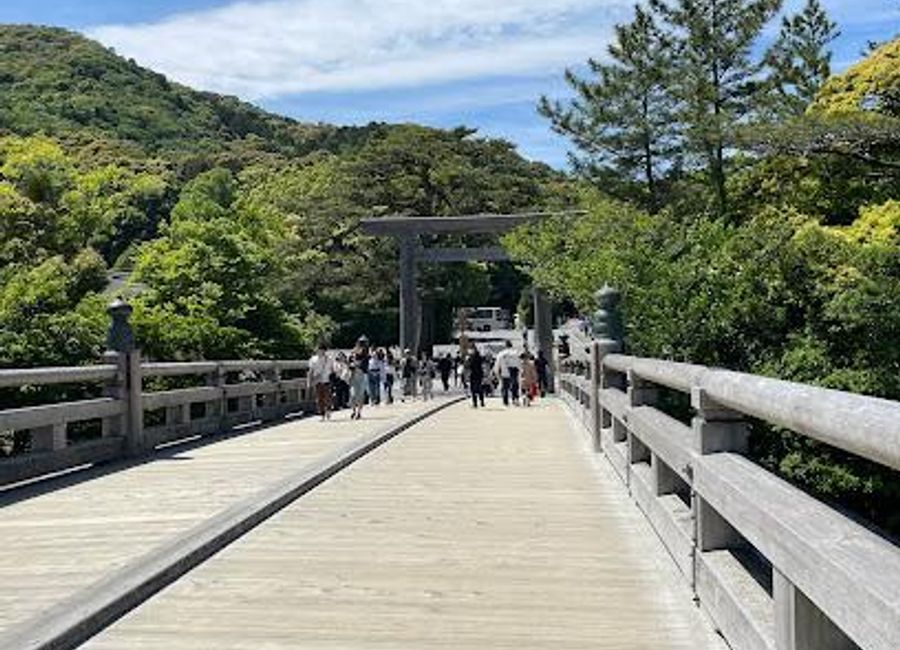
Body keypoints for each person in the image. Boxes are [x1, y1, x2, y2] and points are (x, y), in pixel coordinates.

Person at [308, 343, 333, 420]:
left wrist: (329, 374)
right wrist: (309, 381)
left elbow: (332, 369)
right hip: (317, 381)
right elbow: (310, 371)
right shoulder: (313, 359)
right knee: (319, 398)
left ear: (324, 351)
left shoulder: (329, 359)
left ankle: (328, 410)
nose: (319, 351)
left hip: (326, 380)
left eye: (321, 350)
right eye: (318, 350)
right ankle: (322, 414)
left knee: (327, 397)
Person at [493, 340, 521, 406]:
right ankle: (515, 399)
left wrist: (496, 372)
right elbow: (519, 364)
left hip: (504, 373)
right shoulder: (516, 353)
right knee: (514, 386)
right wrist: (520, 372)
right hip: (514, 373)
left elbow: (497, 364)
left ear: (505, 346)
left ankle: (505, 401)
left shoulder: (501, 354)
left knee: (505, 387)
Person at [348, 336, 370, 419]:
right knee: (353, 394)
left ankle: (359, 412)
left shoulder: (366, 355)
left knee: (360, 394)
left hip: (362, 375)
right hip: (353, 374)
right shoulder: (353, 353)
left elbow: (364, 365)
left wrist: (355, 364)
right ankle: (354, 410)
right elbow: (349, 363)